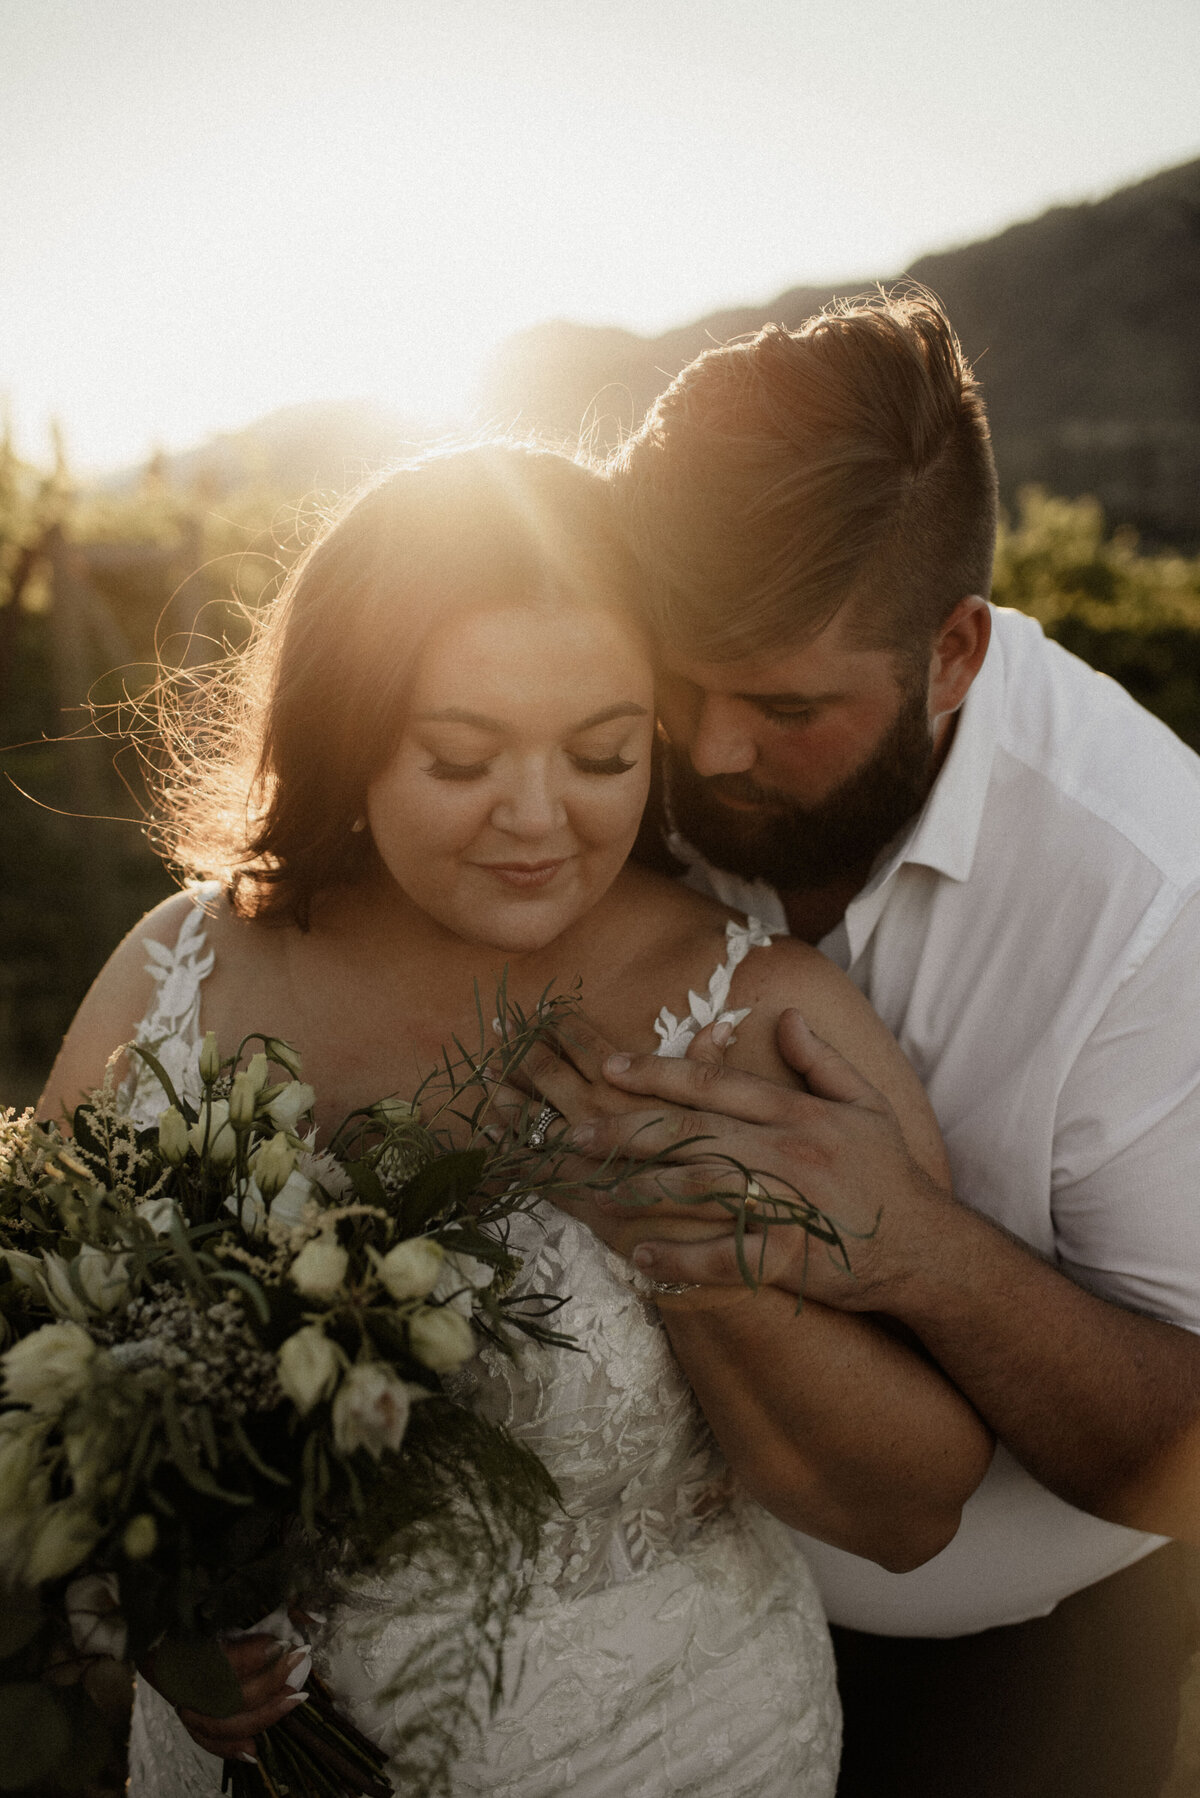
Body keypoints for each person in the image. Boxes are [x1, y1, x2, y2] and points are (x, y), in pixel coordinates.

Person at [39, 444, 991, 1798]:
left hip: (664, 1752)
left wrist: (686, 1252)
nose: (539, 818)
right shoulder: (179, 968)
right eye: (462, 756)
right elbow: (43, 1370)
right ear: (349, 729)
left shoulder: (757, 1013)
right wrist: (148, 1620)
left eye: (603, 752)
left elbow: (913, 1504)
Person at [517, 294, 1200, 1798]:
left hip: (1014, 1686)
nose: (706, 753)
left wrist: (918, 1248)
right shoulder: (621, 743)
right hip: (647, 1639)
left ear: (954, 651)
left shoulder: (1153, 895)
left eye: (786, 704)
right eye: (677, 681)